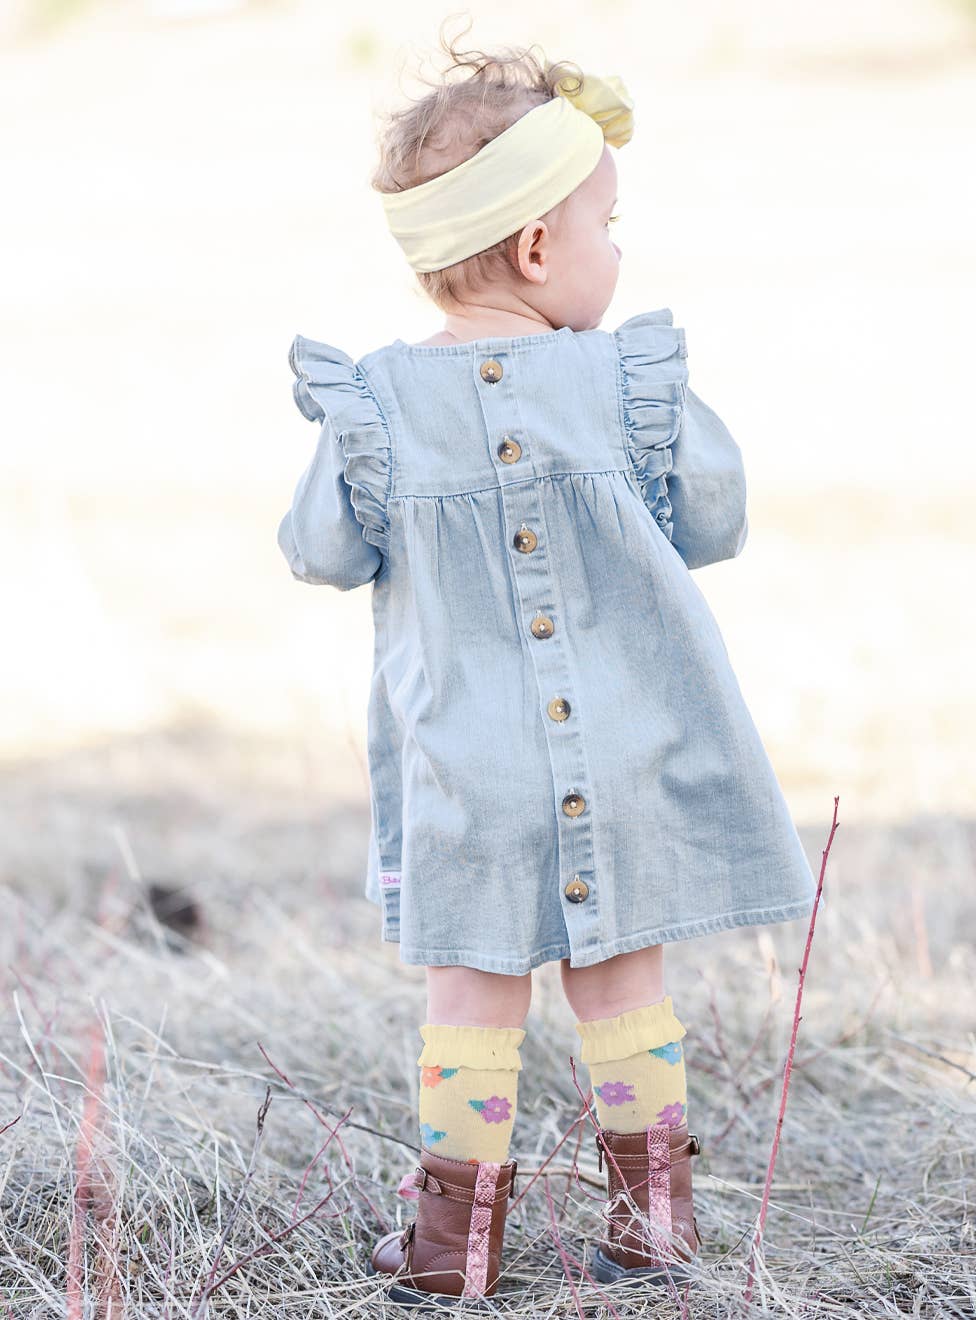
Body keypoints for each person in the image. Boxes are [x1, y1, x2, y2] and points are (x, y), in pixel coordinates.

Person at [277, 35, 821, 1308]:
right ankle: (656, 1225)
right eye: (607, 226)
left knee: (471, 994)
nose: (617, 252)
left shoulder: (378, 403)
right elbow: (714, 518)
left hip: (471, 767)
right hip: (631, 754)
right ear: (537, 249)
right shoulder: (624, 379)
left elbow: (318, 551)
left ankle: (450, 1249)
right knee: (624, 980)